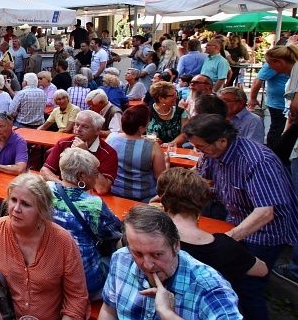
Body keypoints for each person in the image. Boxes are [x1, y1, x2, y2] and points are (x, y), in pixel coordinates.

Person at [186, 115, 298, 317]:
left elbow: (265, 212)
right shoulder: (214, 153)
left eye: (201, 147)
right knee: (233, 280)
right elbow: (200, 178)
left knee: (249, 286)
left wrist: (229, 240)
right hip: (237, 221)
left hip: (266, 232)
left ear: (222, 140)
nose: (199, 152)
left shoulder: (258, 160)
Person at [0, 173, 89, 319]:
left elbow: (76, 298)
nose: (16, 208)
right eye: (13, 200)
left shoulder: (63, 242)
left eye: (26, 204)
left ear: (41, 210)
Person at [156, 167, 268, 315]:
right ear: (202, 201)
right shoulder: (224, 246)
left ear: (162, 199)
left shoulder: (149, 237)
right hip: (210, 310)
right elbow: (262, 270)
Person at [101, 205, 243, 320]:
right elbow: (109, 311)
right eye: (138, 253)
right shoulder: (121, 259)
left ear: (176, 245)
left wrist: (168, 314)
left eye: (157, 254)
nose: (148, 264)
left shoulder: (208, 287)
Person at [49, 148, 122, 300]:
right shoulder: (94, 204)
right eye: (95, 173)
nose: (97, 177)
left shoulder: (46, 190)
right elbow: (115, 233)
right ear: (81, 176)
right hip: (83, 281)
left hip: (50, 271)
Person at [41, 110, 118, 195]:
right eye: (77, 124)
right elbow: (45, 171)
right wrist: (64, 187)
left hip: (93, 199)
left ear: (98, 130)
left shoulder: (108, 153)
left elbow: (102, 189)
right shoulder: (64, 143)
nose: (78, 129)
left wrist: (86, 154)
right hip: (65, 194)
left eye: (85, 127)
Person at [106, 105, 166, 201]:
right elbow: (161, 177)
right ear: (141, 128)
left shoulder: (111, 138)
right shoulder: (153, 147)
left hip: (115, 193)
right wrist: (167, 162)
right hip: (144, 197)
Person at [247, 61, 288, 150]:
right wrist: (253, 98)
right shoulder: (275, 62)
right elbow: (258, 79)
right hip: (278, 104)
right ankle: (273, 153)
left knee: (285, 130)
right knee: (278, 129)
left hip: (286, 102)